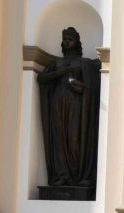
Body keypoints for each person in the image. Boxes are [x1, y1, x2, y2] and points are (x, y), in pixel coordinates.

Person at [37, 27, 100, 188]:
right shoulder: (56, 63)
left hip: (77, 104)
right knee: (59, 138)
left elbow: (92, 86)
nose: (66, 42)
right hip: (57, 103)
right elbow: (42, 78)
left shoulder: (84, 63)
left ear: (77, 42)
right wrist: (63, 71)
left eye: (70, 39)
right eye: (64, 39)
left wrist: (77, 84)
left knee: (74, 138)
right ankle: (62, 175)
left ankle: (79, 176)